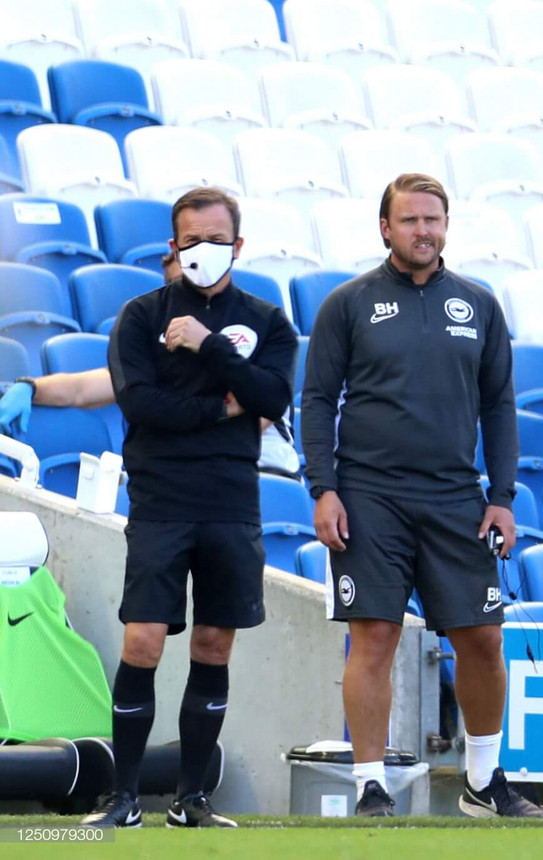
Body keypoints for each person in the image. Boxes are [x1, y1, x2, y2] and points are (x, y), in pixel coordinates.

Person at [301, 173, 543, 819]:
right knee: (375, 635)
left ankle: (482, 783)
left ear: (446, 224)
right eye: (410, 220)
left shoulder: (478, 303)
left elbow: (500, 405)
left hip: (456, 496)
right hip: (369, 494)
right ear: (386, 228)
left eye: (433, 219)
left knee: (484, 638)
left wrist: (504, 497)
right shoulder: (347, 304)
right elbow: (318, 400)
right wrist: (323, 489)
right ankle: (369, 786)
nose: (423, 231)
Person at [82, 188, 297, 828]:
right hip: (161, 499)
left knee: (213, 644)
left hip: (232, 502)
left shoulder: (266, 320)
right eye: (193, 239)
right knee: (144, 640)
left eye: (218, 239)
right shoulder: (140, 317)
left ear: (238, 244)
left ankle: (191, 800)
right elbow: (142, 406)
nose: (206, 250)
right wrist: (225, 409)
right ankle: (122, 797)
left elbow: (274, 397)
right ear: (173, 245)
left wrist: (211, 347)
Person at [0, 252, 301, 480]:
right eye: (175, 285)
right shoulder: (164, 350)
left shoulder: (256, 337)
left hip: (264, 478)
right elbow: (84, 388)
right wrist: (30, 386)